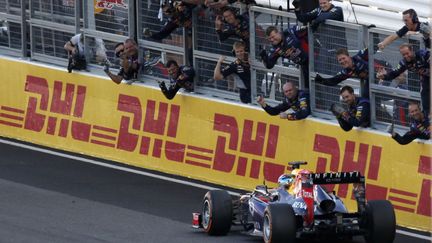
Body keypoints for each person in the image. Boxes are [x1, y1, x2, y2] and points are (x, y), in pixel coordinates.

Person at [377, 43, 430, 116]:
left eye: (407, 53)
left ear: (412, 50)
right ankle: (428, 119)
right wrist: (384, 76)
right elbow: (395, 73)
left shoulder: (423, 54)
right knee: (425, 100)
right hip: (426, 79)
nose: (406, 56)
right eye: (403, 55)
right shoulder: (403, 62)